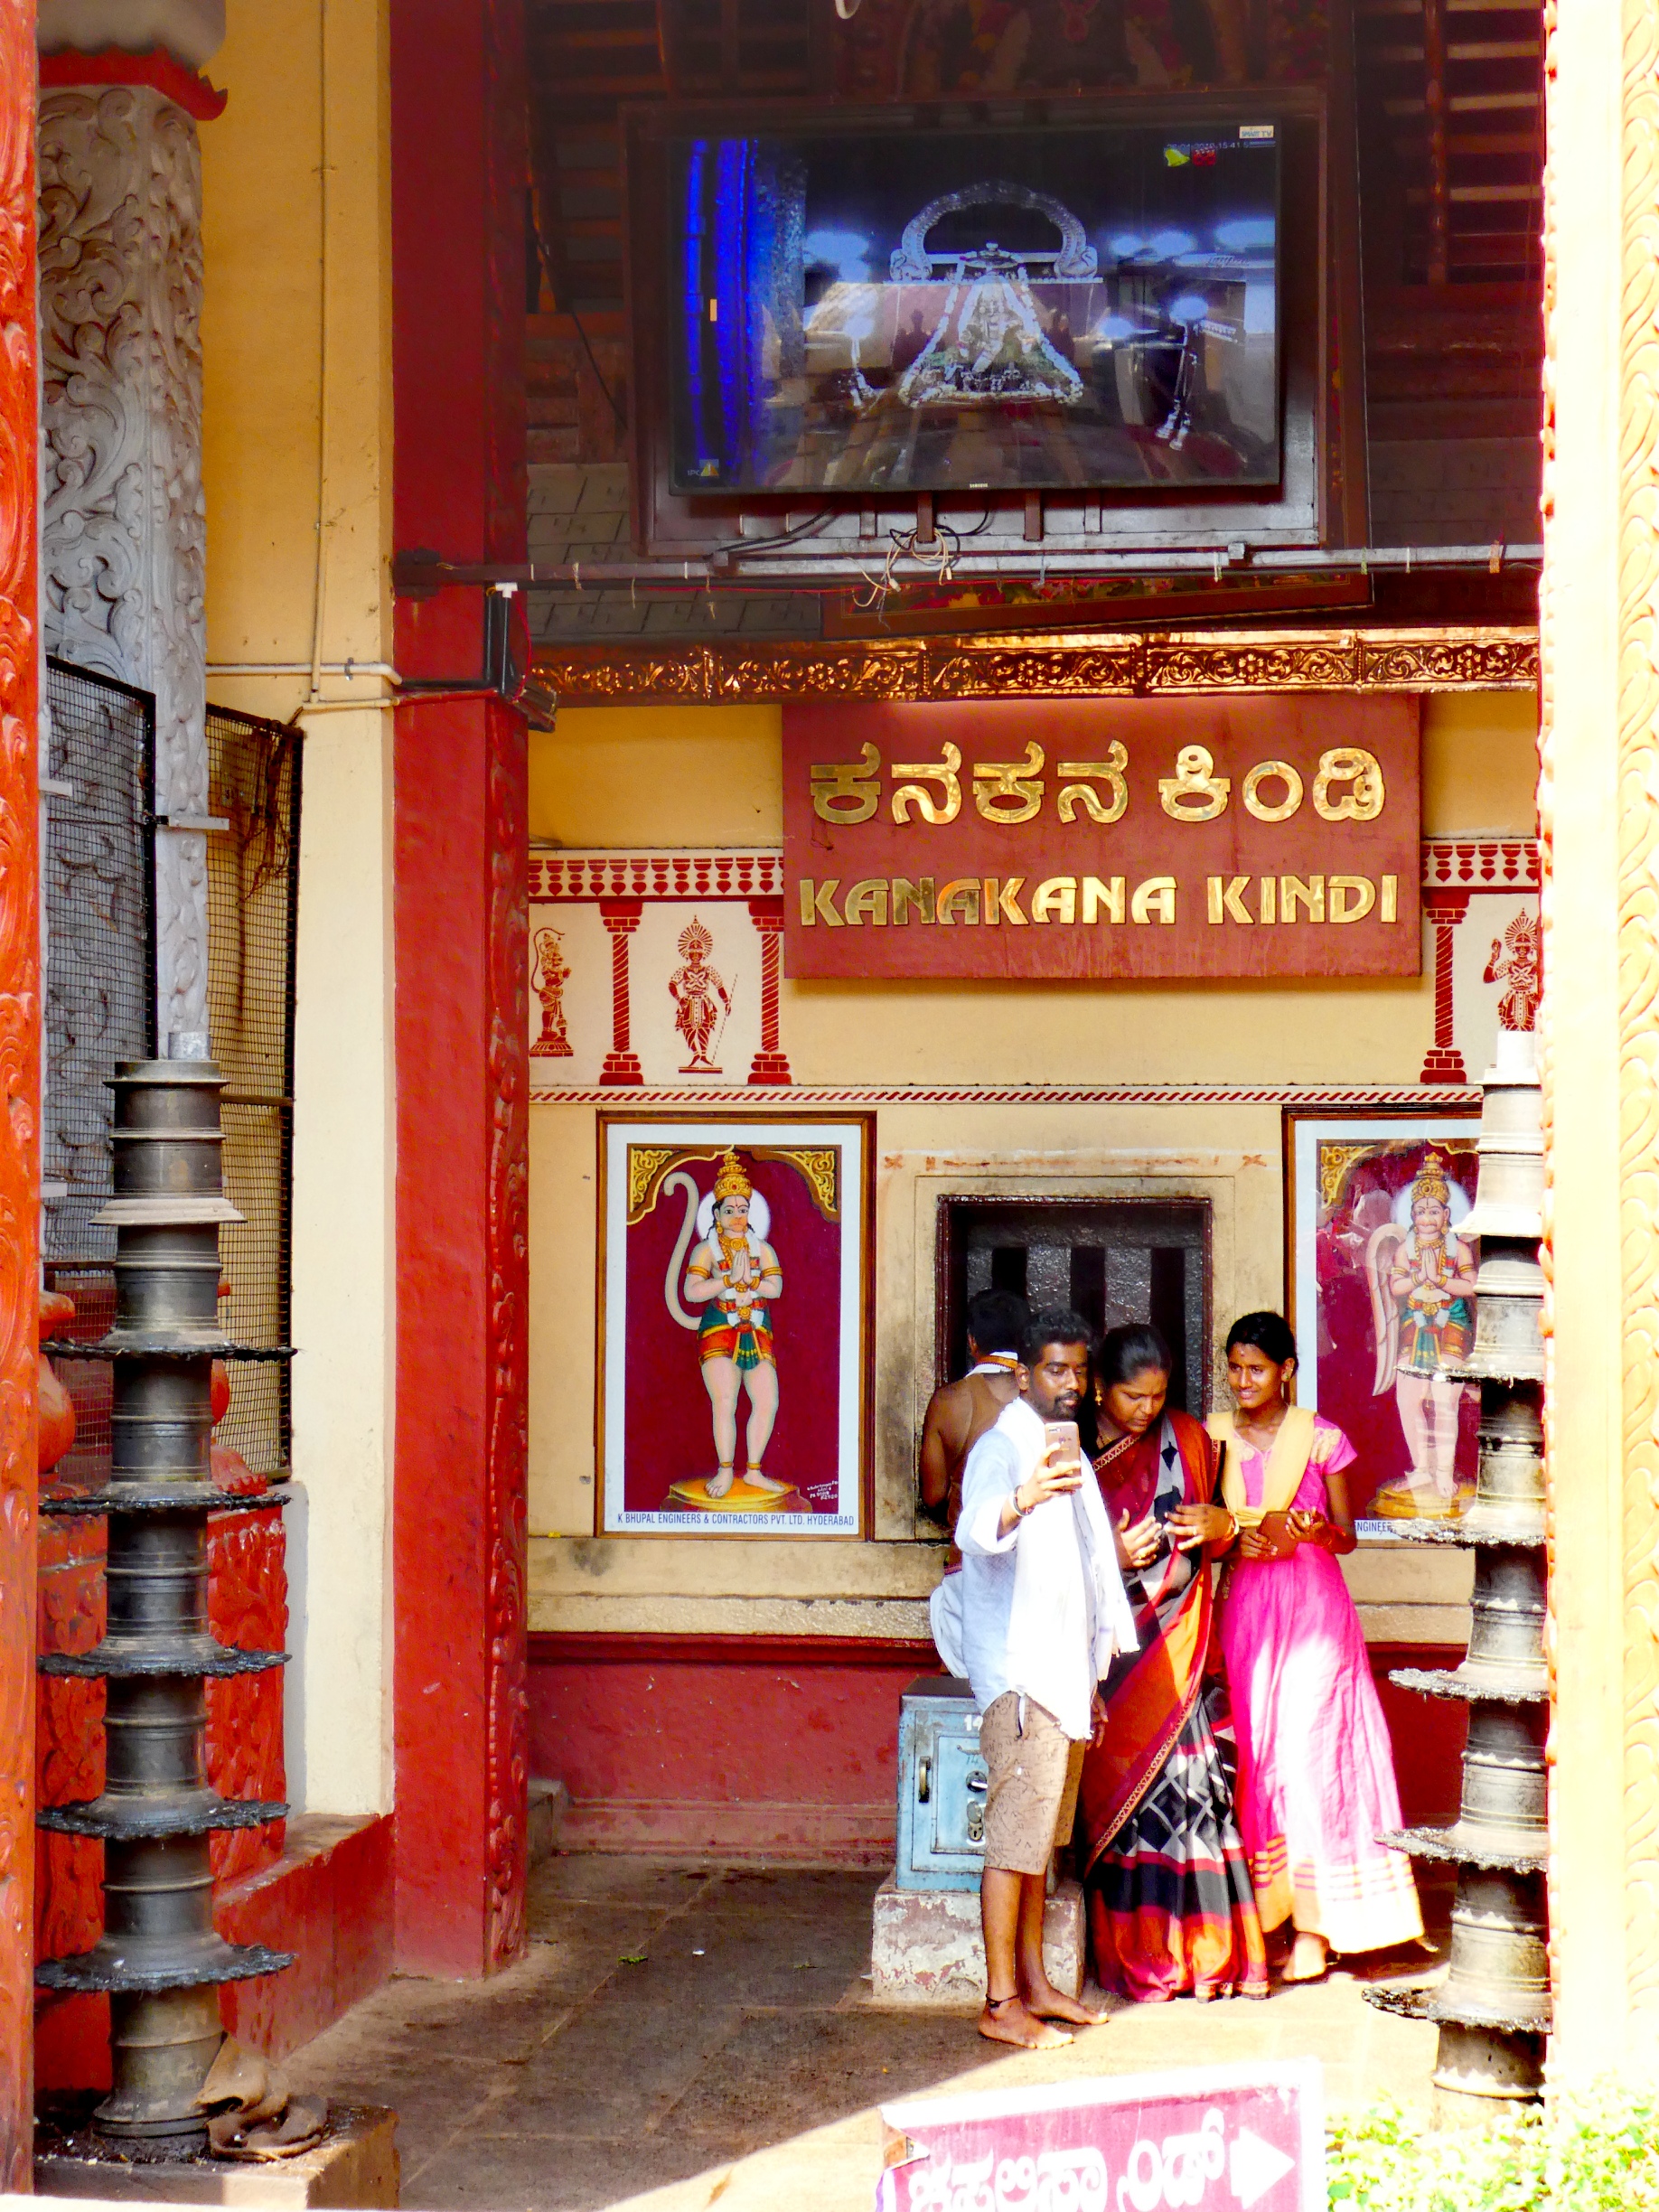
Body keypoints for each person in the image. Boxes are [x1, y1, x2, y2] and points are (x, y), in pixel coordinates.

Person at [1211, 1310, 1423, 1983]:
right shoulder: (1210, 1439)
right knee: (1261, 1753)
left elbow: (1346, 1534)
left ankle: (1317, 1926)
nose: (1243, 1382)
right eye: (1235, 1369)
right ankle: (1269, 1917)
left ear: (1287, 1371)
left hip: (1314, 1605)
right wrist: (1228, 1535)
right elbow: (1203, 1531)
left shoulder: (1322, 1436)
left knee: (1311, 1756)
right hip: (1248, 1607)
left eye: (1256, 1369)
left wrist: (1312, 1532)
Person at [956, 1308, 1138, 2049]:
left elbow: (1086, 1570)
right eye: (1055, 1370)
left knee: (1038, 1846)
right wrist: (1024, 1498)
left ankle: (1033, 1983)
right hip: (1021, 1678)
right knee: (1012, 1842)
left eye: (1080, 1370)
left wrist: (1089, 1670)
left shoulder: (1068, 1452)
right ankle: (1001, 2002)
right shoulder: (1002, 1450)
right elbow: (974, 1527)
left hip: (1061, 1679)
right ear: (1024, 1376)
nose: (1071, 1384)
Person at [1076, 1324, 1269, 2002]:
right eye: (1133, 1397)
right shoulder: (1068, 1450)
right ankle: (1140, 1954)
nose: (1146, 1411)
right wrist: (1112, 1558)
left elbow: (1225, 1533)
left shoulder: (1189, 1438)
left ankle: (1208, 1954)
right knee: (1123, 1804)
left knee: (1194, 1795)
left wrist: (1220, 1525)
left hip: (1183, 1646)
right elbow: (1040, 1557)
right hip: (1112, 1654)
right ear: (1100, 1387)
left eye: (1157, 1397)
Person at [680, 1150, 785, 1499]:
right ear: (716, 1213)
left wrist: (750, 1283)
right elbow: (691, 1292)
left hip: (755, 1330)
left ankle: (753, 1470)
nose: (738, 1217)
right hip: (719, 1328)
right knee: (725, 1400)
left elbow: (775, 1288)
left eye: (743, 1210)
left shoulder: (763, 1249)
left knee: (767, 1400)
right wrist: (728, 1282)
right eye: (730, 1210)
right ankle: (725, 1470)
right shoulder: (706, 1251)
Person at [919, 1289, 1030, 1542]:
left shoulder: (948, 1402)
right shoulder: (1047, 1397)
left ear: (972, 1342)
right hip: (1034, 1559)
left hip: (970, 1559)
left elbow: (933, 1495)